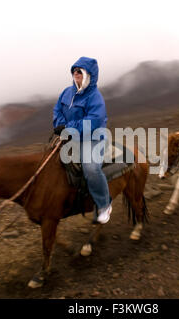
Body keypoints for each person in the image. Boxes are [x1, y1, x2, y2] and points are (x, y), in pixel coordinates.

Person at [53, 57, 112, 224]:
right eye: (74, 70)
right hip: (70, 136)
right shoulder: (66, 93)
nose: (76, 73)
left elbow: (94, 120)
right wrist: (61, 126)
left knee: (91, 168)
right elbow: (57, 111)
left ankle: (104, 205)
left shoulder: (95, 97)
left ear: (89, 75)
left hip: (93, 139)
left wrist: (69, 128)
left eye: (80, 71)